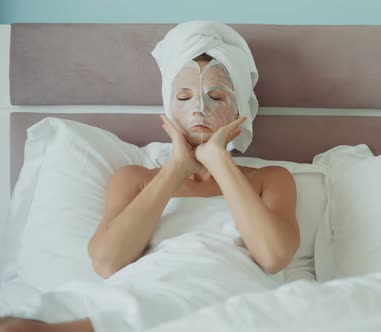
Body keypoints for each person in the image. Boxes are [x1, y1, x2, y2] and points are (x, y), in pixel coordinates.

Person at [0, 26, 300, 332]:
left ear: (239, 113)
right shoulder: (135, 179)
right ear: (168, 108)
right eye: (184, 97)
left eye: (216, 96)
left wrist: (219, 161)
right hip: (140, 292)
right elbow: (107, 263)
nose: (199, 108)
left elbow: (274, 256)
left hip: (224, 294)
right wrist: (175, 170)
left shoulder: (269, 179)